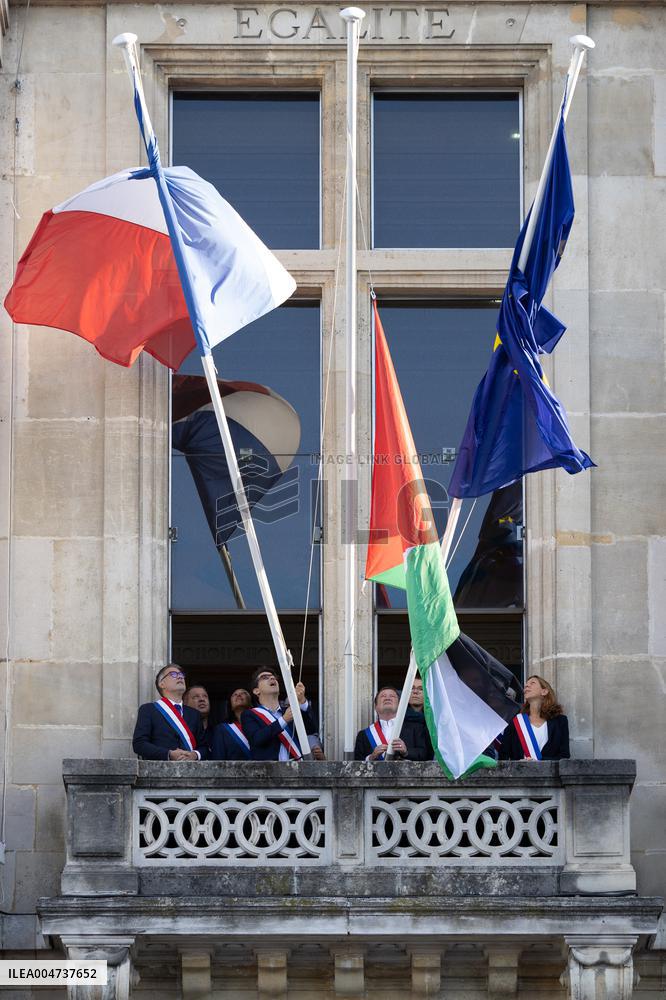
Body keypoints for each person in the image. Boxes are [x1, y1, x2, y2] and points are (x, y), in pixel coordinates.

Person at [132, 664, 208, 760]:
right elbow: (139, 744)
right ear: (162, 684)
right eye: (173, 674)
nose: (180, 676)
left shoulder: (194, 714)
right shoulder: (148, 710)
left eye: (181, 674)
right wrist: (168, 754)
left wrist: (195, 755)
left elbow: (205, 748)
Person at [241, 667, 318, 760]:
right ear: (256, 691)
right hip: (268, 771)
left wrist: (302, 702)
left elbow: (311, 730)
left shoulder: (290, 711)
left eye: (273, 677)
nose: (272, 678)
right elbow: (257, 739)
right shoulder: (249, 714)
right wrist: (284, 720)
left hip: (296, 769)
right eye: (265, 677)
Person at [499, 674, 570, 761]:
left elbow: (564, 755)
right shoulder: (515, 721)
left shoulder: (560, 721)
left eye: (532, 683)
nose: (526, 685)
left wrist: (539, 762)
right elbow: (503, 755)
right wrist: (519, 763)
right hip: (520, 773)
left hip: (550, 773)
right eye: (526, 684)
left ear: (544, 691)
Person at [354, 686, 433, 761]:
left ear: (399, 705)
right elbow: (356, 765)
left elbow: (426, 755)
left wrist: (406, 752)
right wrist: (371, 757)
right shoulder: (363, 735)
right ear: (376, 706)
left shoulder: (416, 728)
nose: (387, 698)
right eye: (383, 696)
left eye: (392, 696)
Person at [212, 688, 252, 760]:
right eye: (235, 695)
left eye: (243, 693)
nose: (239, 695)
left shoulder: (261, 725)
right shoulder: (222, 729)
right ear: (230, 705)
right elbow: (218, 759)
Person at [183, 683, 214, 756]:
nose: (202, 699)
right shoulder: (182, 731)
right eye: (195, 697)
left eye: (205, 696)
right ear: (184, 703)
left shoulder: (217, 731)